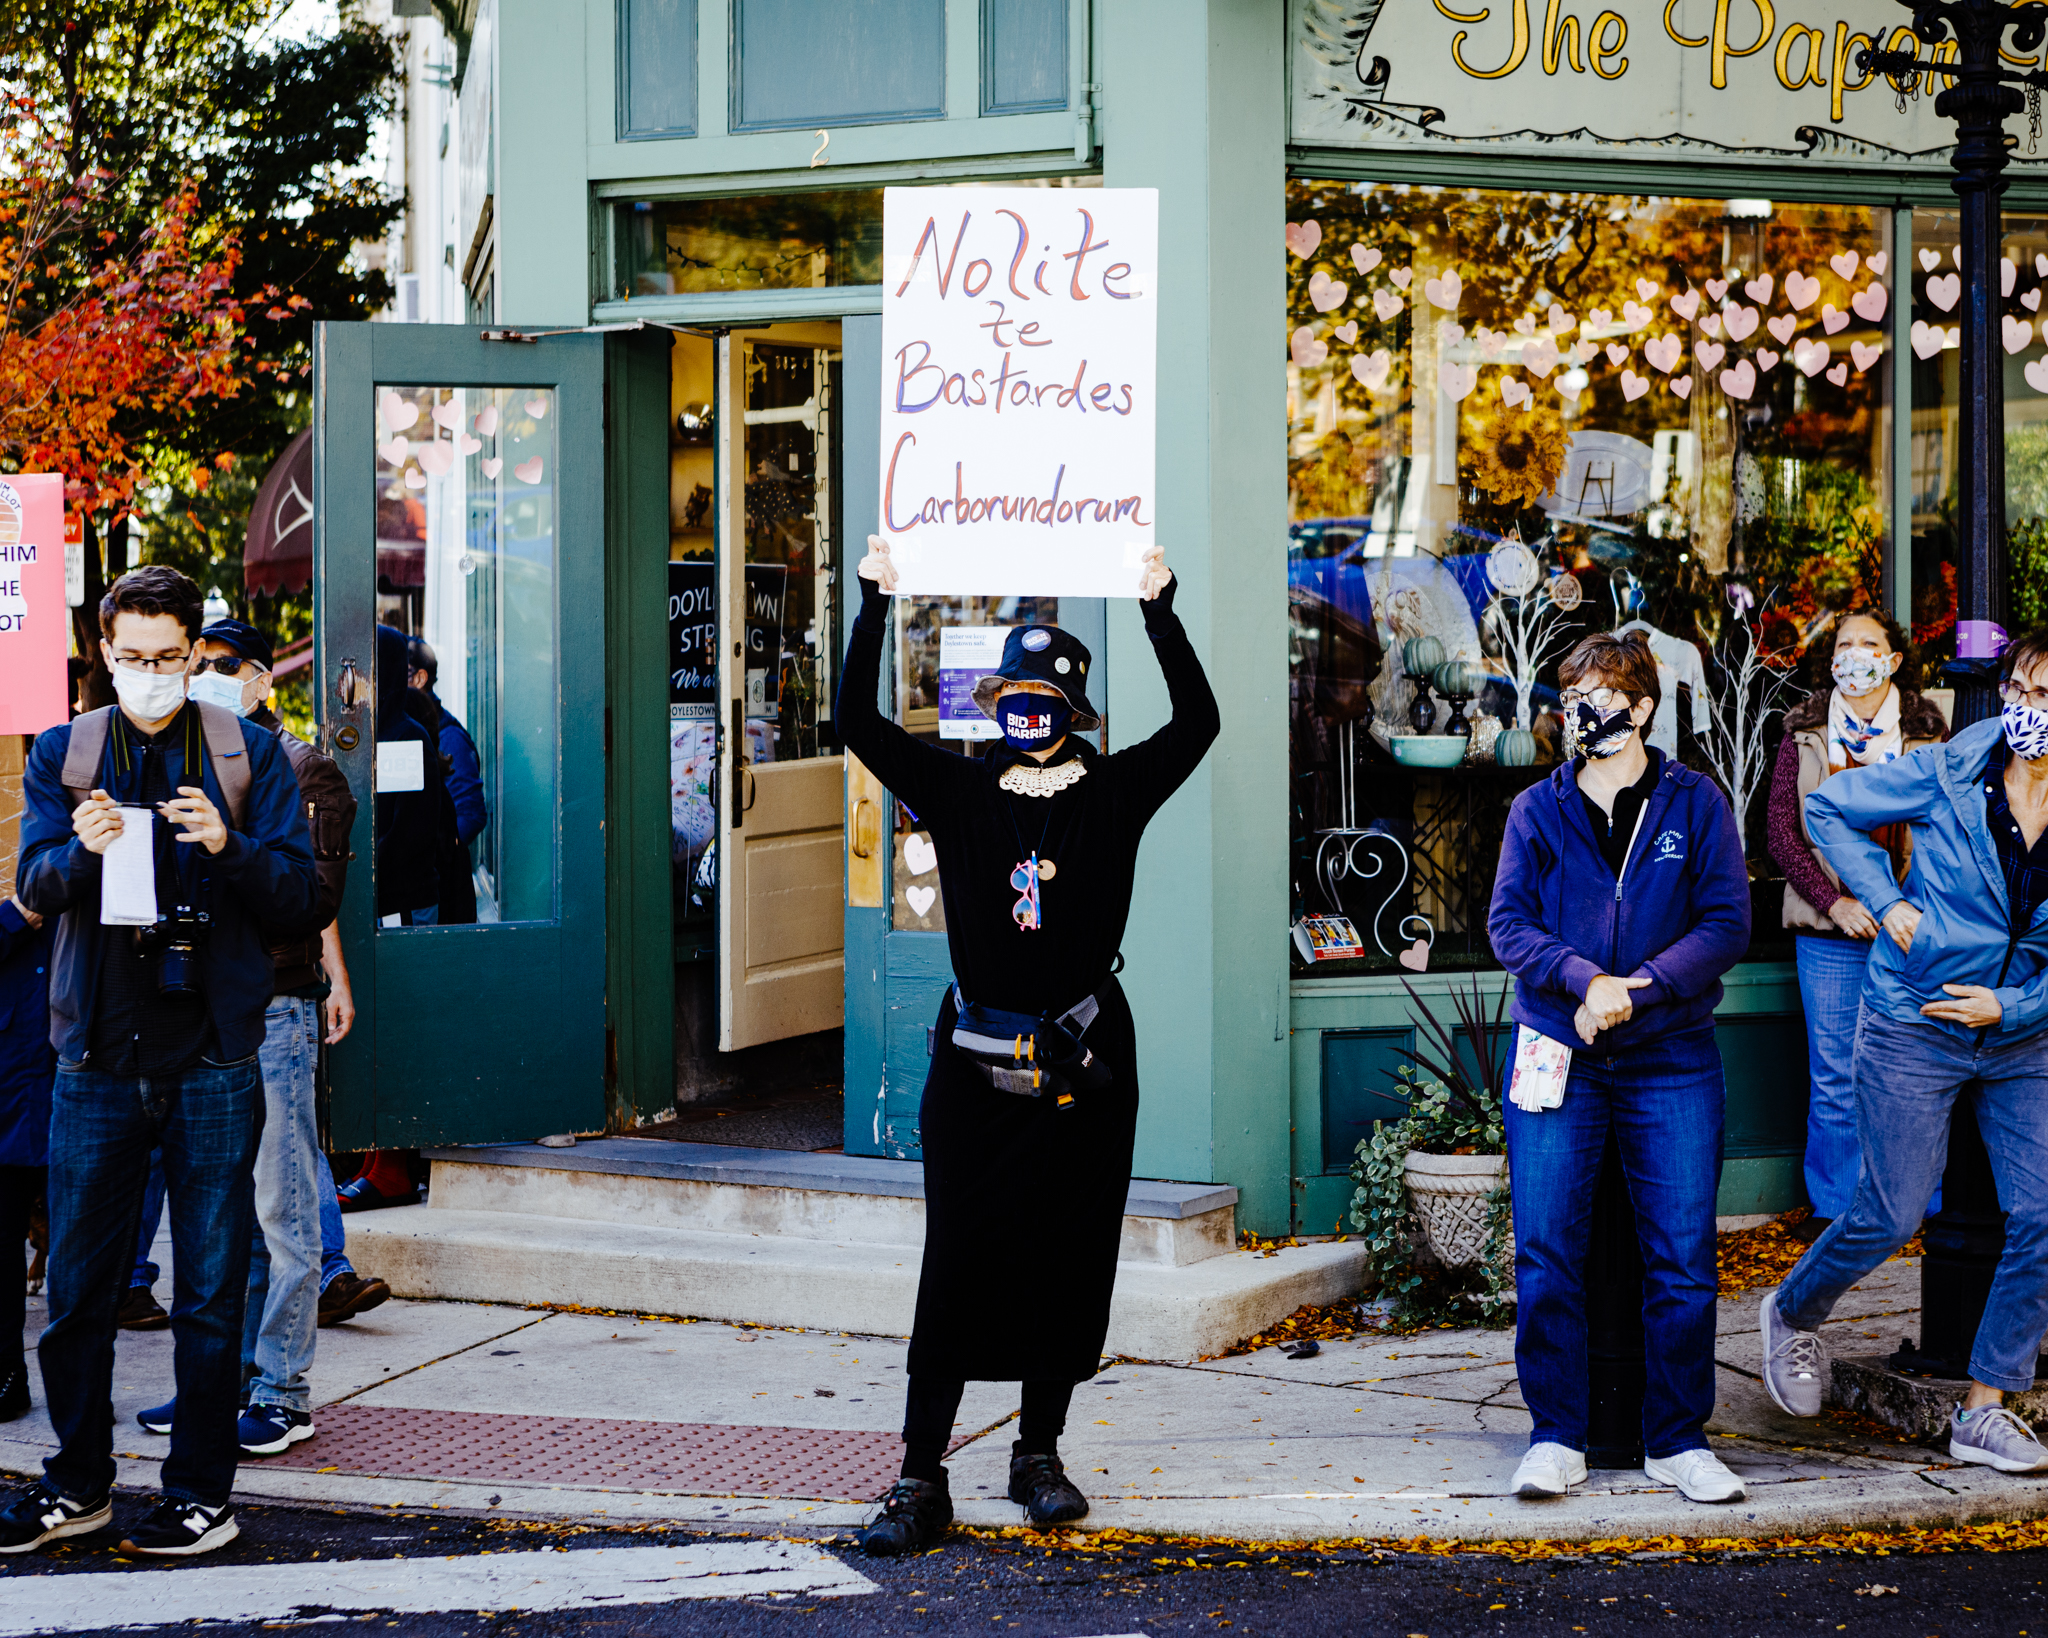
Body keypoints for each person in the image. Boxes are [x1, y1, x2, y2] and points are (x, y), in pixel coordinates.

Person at [840, 537, 1217, 1555]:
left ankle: (1037, 1454)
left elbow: (1199, 723)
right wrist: (875, 603)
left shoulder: (1114, 791)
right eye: (1015, 695)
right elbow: (855, 723)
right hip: (976, 1062)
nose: (1030, 711)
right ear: (995, 703)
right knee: (959, 1259)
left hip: (1084, 1063)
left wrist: (1158, 611)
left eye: (1047, 697)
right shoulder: (957, 790)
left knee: (1067, 1254)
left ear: (1073, 709)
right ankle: (919, 1475)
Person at [5, 565, 317, 1557]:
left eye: (168, 657)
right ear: (104, 652)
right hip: (96, 1056)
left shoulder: (247, 755)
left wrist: (229, 846)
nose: (149, 672)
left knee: (211, 1293)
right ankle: (77, 1483)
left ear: (194, 654)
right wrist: (81, 852)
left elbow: (304, 898)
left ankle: (199, 1495)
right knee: (76, 1292)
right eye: (131, 656)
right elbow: (33, 889)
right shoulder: (63, 752)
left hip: (213, 1054)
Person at [1761, 631, 2048, 1474]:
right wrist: (1885, 901)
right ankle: (1794, 1310)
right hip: (1914, 1019)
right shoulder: (1952, 768)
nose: (2027, 711)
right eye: (2020, 691)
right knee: (1892, 1212)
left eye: (2046, 697)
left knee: (2043, 1214)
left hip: (2020, 1031)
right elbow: (1826, 810)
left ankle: (1984, 1407)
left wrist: (2013, 1005)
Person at [1488, 630, 1752, 1506]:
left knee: (1681, 1256)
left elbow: (1726, 924)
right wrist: (1583, 980)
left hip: (1670, 1056)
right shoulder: (1537, 807)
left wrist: (1637, 990)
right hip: (1554, 1049)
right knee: (1546, 1252)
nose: (1581, 713)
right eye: (1571, 698)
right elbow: (1509, 925)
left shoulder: (1695, 802)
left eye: (1598, 699)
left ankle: (1677, 1440)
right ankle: (1555, 1437)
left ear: (1641, 708)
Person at [131, 617, 386, 1459]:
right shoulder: (182, 759)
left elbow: (311, 899)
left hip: (273, 1006)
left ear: (263, 679)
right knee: (218, 1211)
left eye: (226, 663)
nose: (207, 673)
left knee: (284, 1209)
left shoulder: (305, 769)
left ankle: (282, 1391)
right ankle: (220, 1383)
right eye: (197, 661)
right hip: (199, 1008)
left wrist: (225, 844)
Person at [1768, 613, 1949, 1239]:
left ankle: (1916, 1208)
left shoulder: (1930, 734)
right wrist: (1833, 902)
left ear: (1894, 660)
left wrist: (1911, 909)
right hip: (1830, 932)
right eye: (1844, 644)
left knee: (1915, 1072)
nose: (1855, 654)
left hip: (1910, 931)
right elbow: (1782, 835)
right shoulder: (1803, 733)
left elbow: (1950, 832)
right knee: (1835, 1074)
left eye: (1869, 644)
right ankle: (1837, 1210)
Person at [0, 889, 55, 1422]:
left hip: (80, 1079)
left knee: (86, 1254)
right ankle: (5, 1378)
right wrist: (13, 918)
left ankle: (83, 1390)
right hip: (8, 1086)